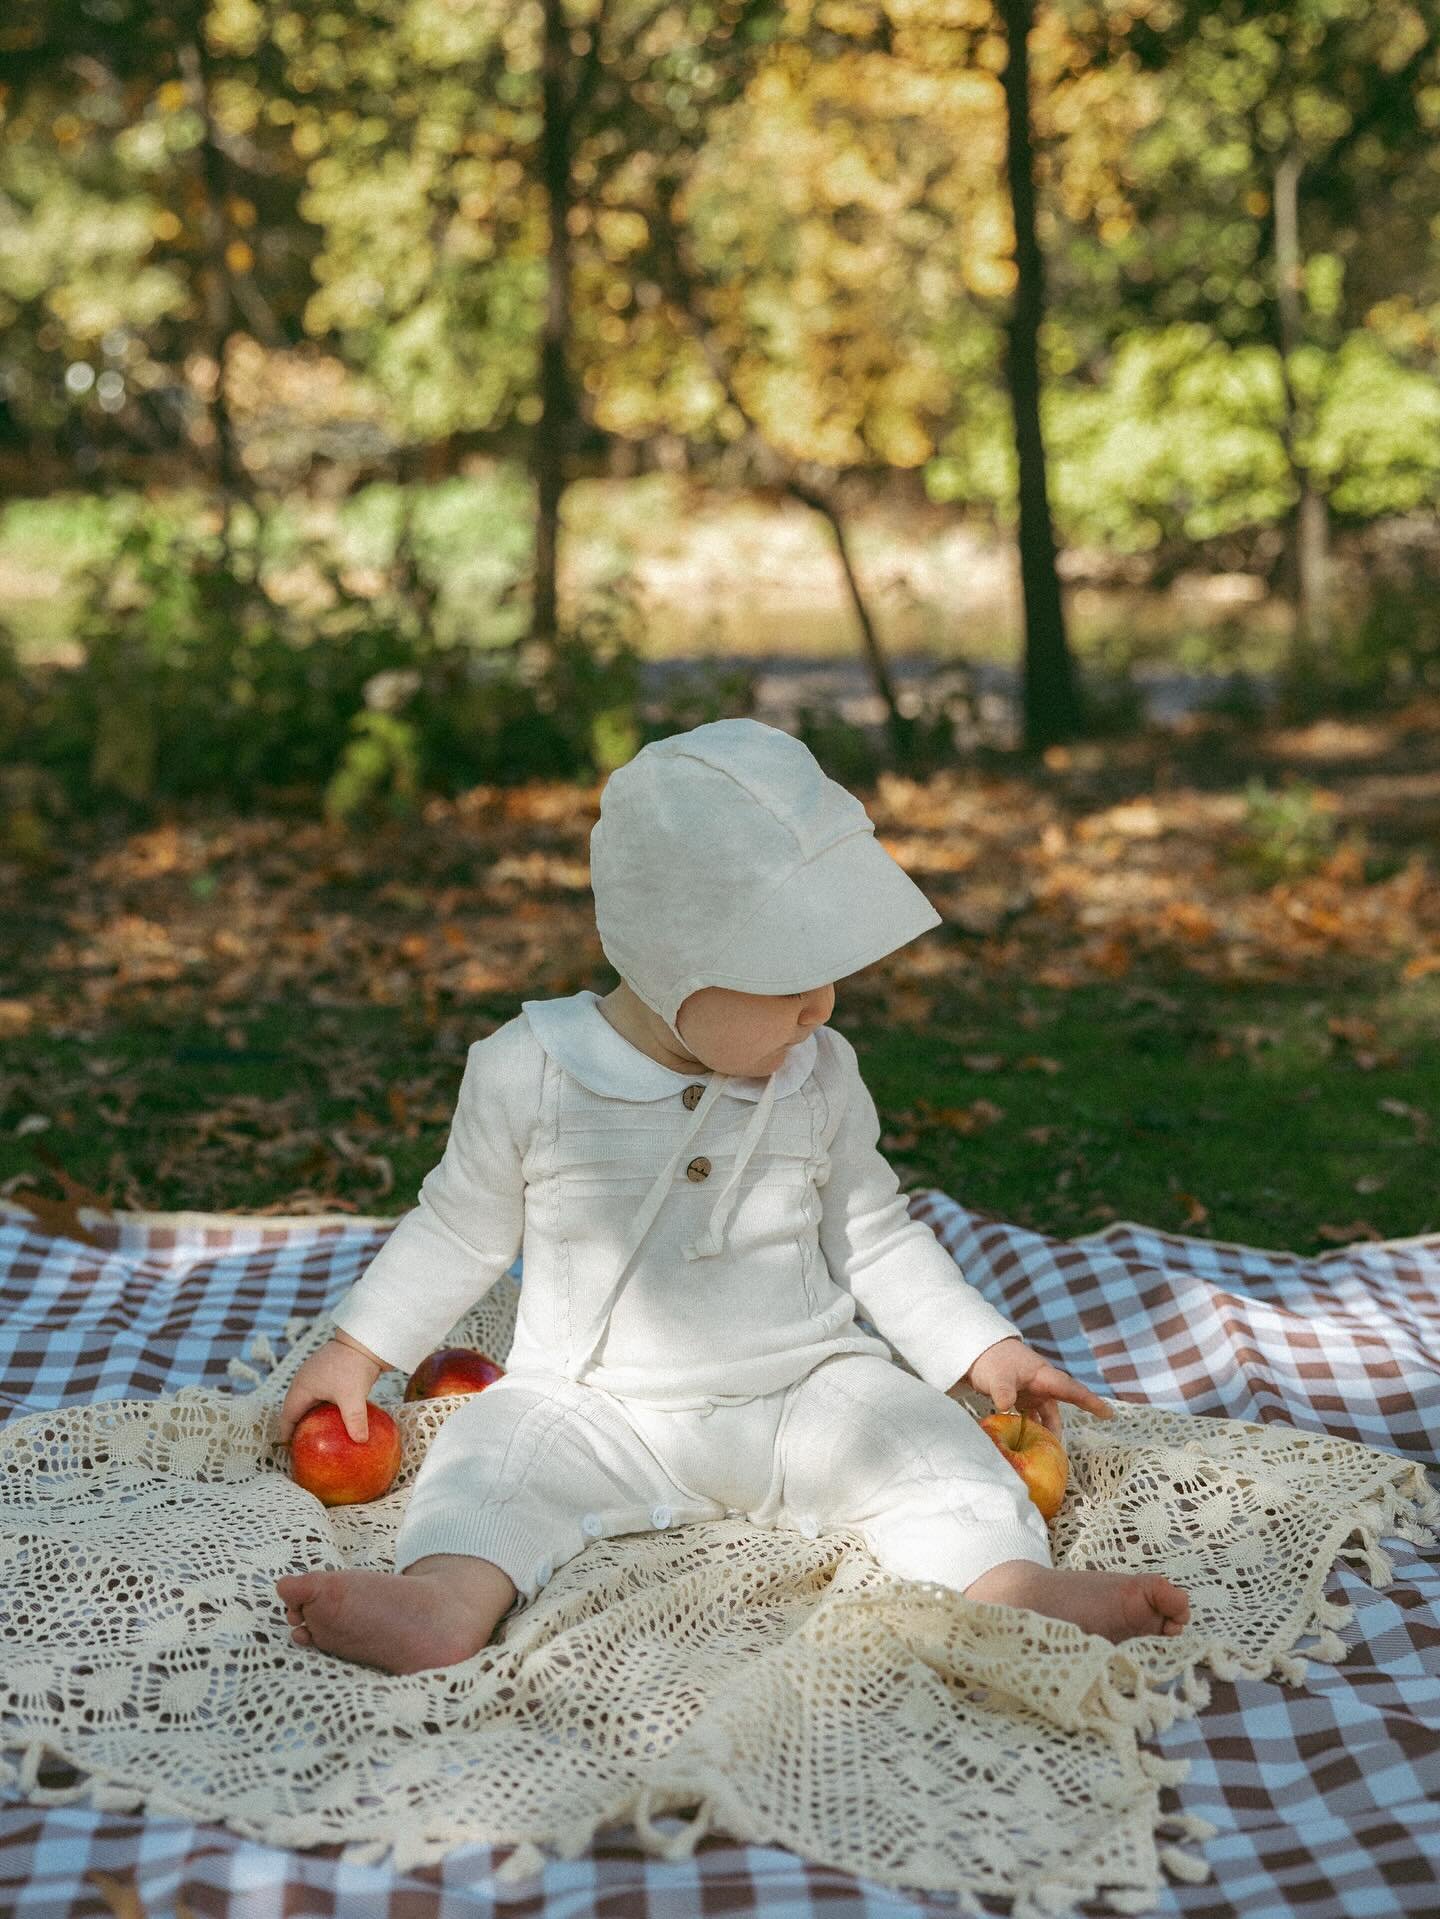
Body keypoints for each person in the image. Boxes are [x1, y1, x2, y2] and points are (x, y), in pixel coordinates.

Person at [276, 720, 1189, 1674]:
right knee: (491, 1457)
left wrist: (981, 1346)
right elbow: (457, 1227)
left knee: (927, 1444)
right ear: (674, 961)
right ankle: (441, 1598)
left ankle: (1009, 1585)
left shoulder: (818, 1073)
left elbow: (875, 1232)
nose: (820, 1006)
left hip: (805, 1391)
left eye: (828, 972)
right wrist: (356, 1349)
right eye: (786, 979)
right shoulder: (531, 1073)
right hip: (594, 1403)